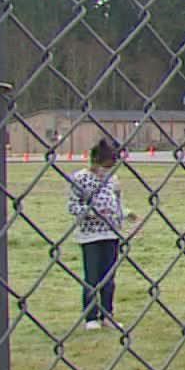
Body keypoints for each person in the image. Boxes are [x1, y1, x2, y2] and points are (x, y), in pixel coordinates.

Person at [65, 137, 137, 331]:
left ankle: (107, 314)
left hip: (111, 234)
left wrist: (126, 214)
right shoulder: (80, 178)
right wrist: (92, 213)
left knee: (109, 278)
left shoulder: (113, 180)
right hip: (90, 235)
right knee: (92, 277)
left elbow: (117, 203)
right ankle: (90, 317)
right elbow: (72, 206)